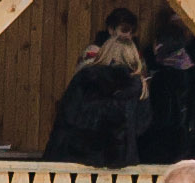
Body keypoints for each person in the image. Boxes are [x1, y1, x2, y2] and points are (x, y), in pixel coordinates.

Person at [48, 21, 148, 171]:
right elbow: (141, 125)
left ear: (105, 51)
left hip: (77, 161)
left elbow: (68, 114)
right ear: (133, 56)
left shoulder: (85, 78)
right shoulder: (139, 86)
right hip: (121, 164)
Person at [139, 15, 195, 167]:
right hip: (184, 142)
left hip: (163, 146)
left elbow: (161, 115)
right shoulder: (189, 69)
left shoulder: (164, 77)